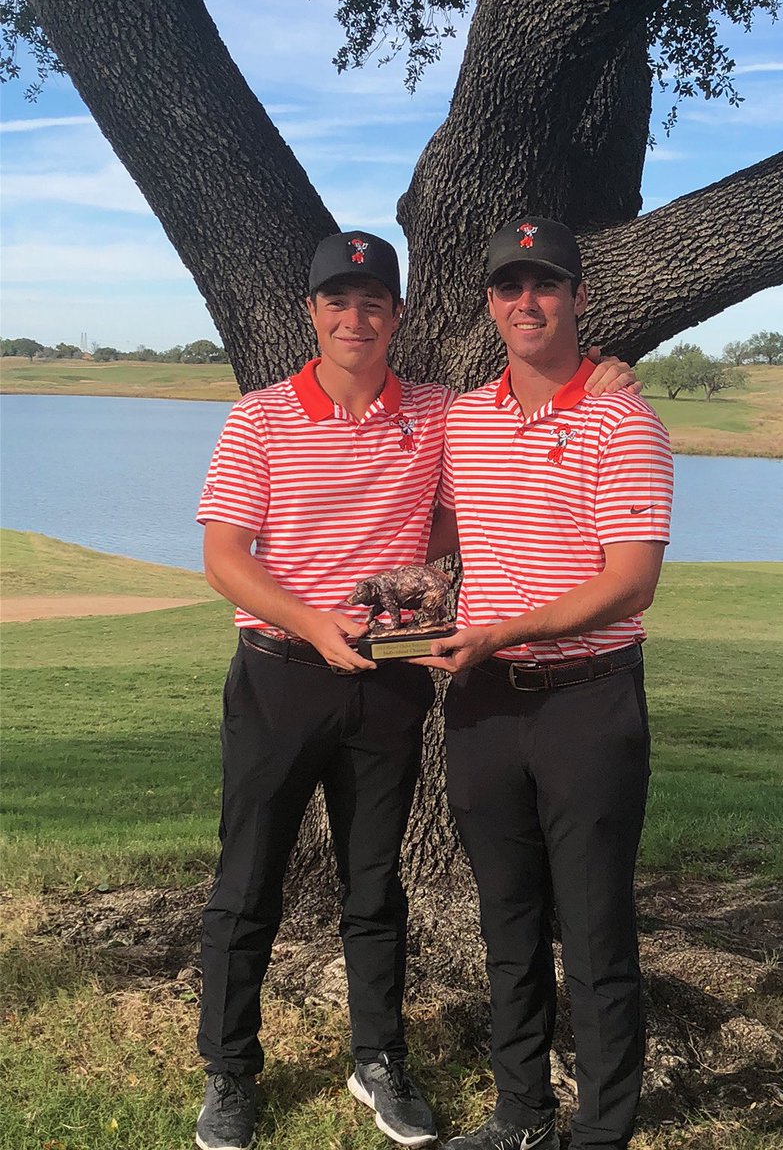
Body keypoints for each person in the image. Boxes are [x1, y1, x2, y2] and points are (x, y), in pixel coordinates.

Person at [193, 228, 639, 1150]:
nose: (355, 318)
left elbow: (473, 494)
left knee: (374, 881)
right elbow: (223, 558)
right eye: (337, 301)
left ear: (397, 315)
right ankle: (230, 1073)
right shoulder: (259, 418)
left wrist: (607, 369)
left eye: (372, 303)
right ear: (311, 313)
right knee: (247, 882)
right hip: (280, 677)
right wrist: (315, 623)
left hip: (389, 687)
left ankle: (378, 1060)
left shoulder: (438, 412)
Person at [418, 218, 674, 1150]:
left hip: (587, 702)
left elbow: (630, 580)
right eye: (510, 288)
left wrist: (501, 631)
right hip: (485, 706)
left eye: (547, 286)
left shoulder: (625, 416)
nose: (528, 303)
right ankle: (520, 1115)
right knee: (508, 919)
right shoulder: (463, 419)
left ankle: (603, 1132)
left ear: (577, 298)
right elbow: (431, 528)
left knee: (598, 927)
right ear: (491, 303)